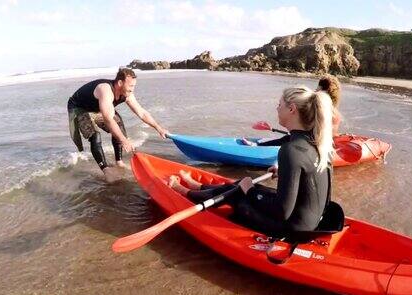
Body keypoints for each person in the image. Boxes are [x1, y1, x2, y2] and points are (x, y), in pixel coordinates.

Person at [168, 85, 335, 235]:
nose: (277, 109)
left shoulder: (291, 150)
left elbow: (281, 211)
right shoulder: (321, 144)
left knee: (238, 193)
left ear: (291, 109)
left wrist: (250, 191)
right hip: (310, 222)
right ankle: (197, 187)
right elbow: (313, 183)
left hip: (291, 228)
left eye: (280, 105)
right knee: (241, 183)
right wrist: (284, 172)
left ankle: (184, 192)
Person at [68, 68, 169, 182]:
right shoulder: (105, 90)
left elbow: (142, 113)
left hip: (99, 107)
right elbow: (108, 120)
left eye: (134, 86)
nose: (132, 89)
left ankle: (119, 162)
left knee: (119, 127)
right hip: (80, 108)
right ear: (120, 83)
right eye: (130, 86)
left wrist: (159, 128)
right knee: (95, 136)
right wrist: (123, 140)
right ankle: (106, 170)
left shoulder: (127, 94)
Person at [241, 75, 342, 147]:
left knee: (289, 138)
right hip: (321, 143)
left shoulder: (324, 111)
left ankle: (257, 145)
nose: (315, 93)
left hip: (314, 144)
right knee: (291, 136)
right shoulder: (335, 112)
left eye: (317, 90)